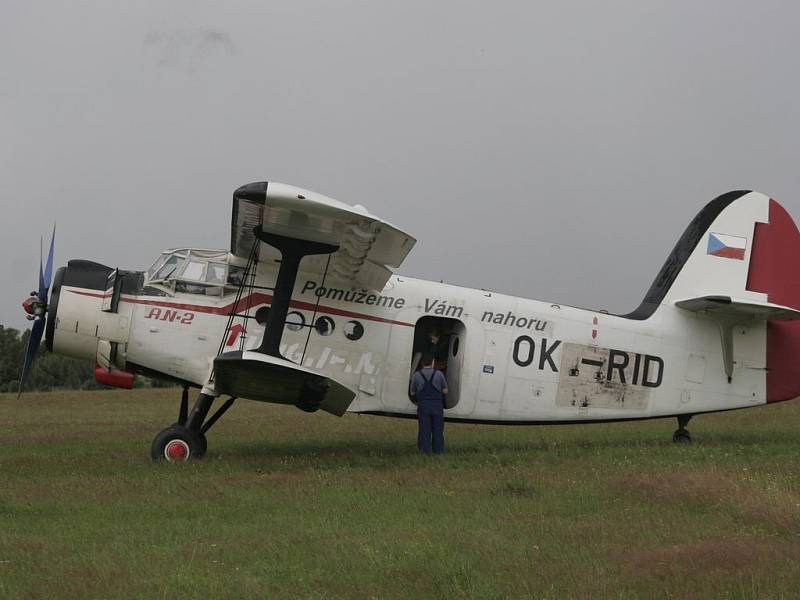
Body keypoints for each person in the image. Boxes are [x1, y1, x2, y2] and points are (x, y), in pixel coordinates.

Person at [409, 352, 448, 455]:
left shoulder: (416, 375)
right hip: (437, 406)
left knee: (424, 430)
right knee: (438, 430)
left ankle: (424, 452)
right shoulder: (439, 374)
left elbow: (412, 392)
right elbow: (445, 391)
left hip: (423, 406)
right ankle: (438, 452)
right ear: (433, 362)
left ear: (421, 363)